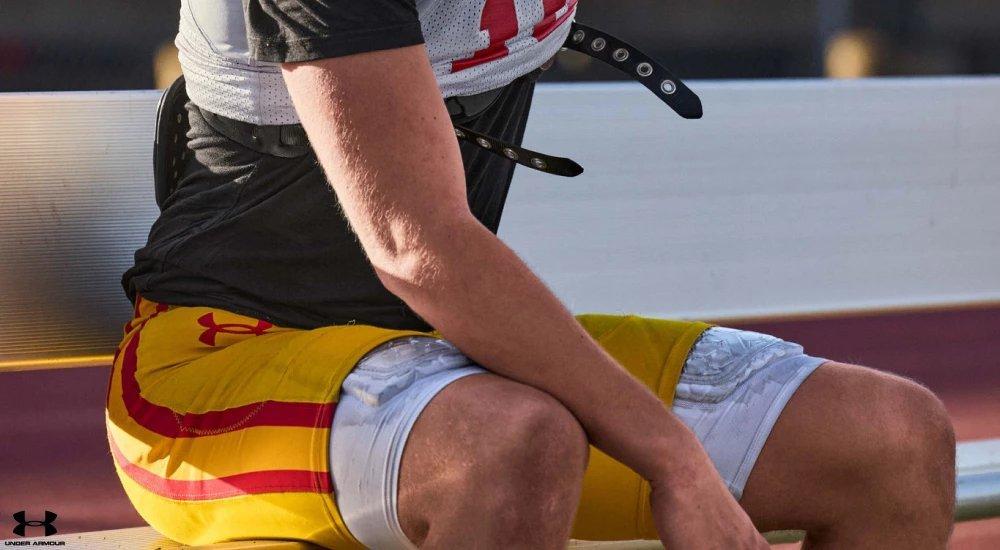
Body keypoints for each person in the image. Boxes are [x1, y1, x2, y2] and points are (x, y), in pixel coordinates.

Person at [106, 1, 956, 548]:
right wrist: (675, 461)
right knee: (511, 445)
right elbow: (414, 243)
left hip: (439, 356)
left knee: (892, 440)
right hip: (211, 376)